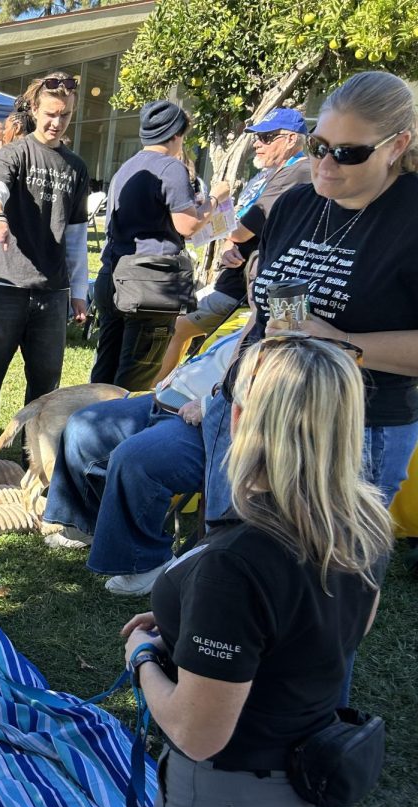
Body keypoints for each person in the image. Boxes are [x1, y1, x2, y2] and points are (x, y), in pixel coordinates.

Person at [44, 71, 418, 597]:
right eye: (318, 146)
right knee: (232, 556)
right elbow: (264, 319)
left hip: (353, 427)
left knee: (328, 588)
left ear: (396, 145)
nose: (325, 164)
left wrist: (339, 341)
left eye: (347, 154)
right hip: (254, 404)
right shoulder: (296, 203)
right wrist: (223, 387)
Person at [121, 335, 399, 807]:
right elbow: (343, 629)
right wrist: (198, 623)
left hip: (231, 804)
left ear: (244, 415)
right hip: (306, 777)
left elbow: (197, 735)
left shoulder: (239, 560)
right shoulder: (364, 523)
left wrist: (144, 659)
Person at [0, 73, 90, 460]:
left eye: (65, 115)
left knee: (46, 385)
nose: (57, 122)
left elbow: (77, 235)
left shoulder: (76, 167)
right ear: (34, 110)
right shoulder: (15, 153)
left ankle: (33, 454)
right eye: (51, 113)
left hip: (52, 293)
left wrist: (79, 292)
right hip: (4, 286)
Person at [153, 108, 311, 386]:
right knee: (194, 336)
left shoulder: (298, 172)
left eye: (266, 137)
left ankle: (164, 393)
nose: (257, 144)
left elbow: (240, 228)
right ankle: (166, 393)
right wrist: (227, 243)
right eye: (256, 137)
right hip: (244, 282)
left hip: (263, 289)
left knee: (258, 352)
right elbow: (238, 226)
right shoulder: (267, 175)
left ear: (290, 139)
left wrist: (214, 201)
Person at [90, 101, 230, 391]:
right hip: (149, 284)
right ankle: (122, 433)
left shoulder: (127, 168)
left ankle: (91, 428)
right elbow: (187, 227)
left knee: (105, 371)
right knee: (137, 376)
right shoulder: (171, 167)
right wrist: (215, 199)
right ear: (177, 134)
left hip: (113, 276)